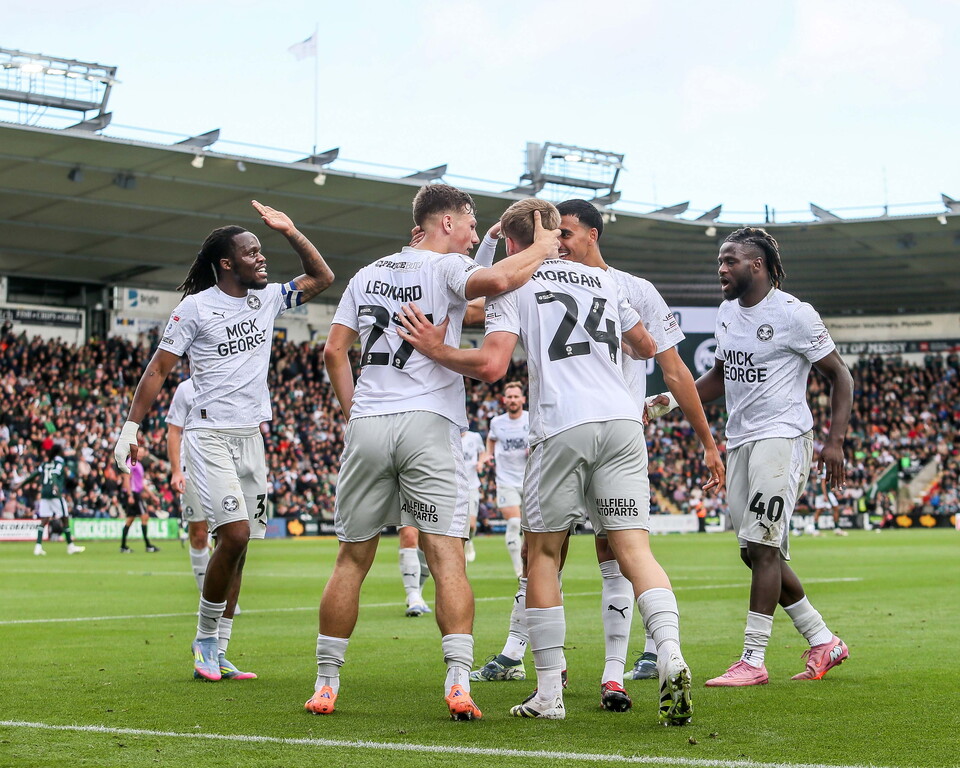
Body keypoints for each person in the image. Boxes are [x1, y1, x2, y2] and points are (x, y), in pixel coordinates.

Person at [398, 198, 696, 725]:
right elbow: (646, 346)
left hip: (562, 425)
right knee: (633, 549)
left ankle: (548, 694)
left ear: (515, 244)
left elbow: (491, 364)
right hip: (624, 425)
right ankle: (670, 651)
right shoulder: (606, 282)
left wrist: (435, 350)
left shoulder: (515, 285)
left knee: (543, 555)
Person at [308, 184, 558, 721]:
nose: (474, 233)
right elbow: (495, 283)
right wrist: (545, 244)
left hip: (369, 422)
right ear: (446, 222)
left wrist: (356, 412)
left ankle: (326, 684)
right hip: (429, 423)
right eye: (470, 223)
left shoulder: (367, 274)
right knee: (445, 556)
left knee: (351, 558)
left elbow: (334, 351)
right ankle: (459, 682)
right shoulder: (445, 268)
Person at [114, 200, 334, 682]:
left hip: (249, 437)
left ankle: (221, 650)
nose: (261, 258)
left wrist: (291, 230)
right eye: (251, 253)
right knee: (232, 535)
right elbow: (158, 370)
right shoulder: (194, 308)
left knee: (241, 548)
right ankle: (204, 640)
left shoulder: (269, 297)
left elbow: (322, 277)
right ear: (226, 264)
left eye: (261, 251)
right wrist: (130, 429)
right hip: (208, 433)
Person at [648, 226, 853, 686]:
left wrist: (834, 441)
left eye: (730, 261)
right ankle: (823, 641)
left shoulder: (794, 314)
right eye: (720, 261)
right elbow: (720, 376)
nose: (721, 269)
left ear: (756, 265)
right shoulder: (725, 313)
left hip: (783, 437)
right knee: (753, 551)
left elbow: (841, 375)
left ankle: (753, 660)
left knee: (762, 545)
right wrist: (665, 402)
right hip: (739, 440)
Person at [555, 199, 724, 705]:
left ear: (593, 234)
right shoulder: (541, 278)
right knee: (549, 552)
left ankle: (611, 673)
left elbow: (675, 370)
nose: (558, 244)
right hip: (574, 429)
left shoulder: (636, 290)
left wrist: (708, 443)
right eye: (553, 235)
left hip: (600, 432)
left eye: (566, 234)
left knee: (604, 553)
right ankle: (546, 661)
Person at [166, 377, 209, 590]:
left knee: (229, 536)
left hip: (226, 466)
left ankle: (226, 596)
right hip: (190, 469)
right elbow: (174, 431)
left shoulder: (230, 378)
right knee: (199, 534)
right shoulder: (185, 388)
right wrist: (175, 471)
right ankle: (208, 597)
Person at [486, 382, 529, 577]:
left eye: (515, 396)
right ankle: (519, 570)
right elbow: (492, 438)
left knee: (531, 529)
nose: (512, 400)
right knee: (513, 523)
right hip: (506, 481)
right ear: (504, 400)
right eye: (509, 397)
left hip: (530, 480)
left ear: (523, 399)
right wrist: (489, 454)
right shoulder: (497, 422)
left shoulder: (531, 419)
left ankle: (531, 566)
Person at [18, 445, 85, 556]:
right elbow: (54, 474)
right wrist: (55, 485)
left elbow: (33, 476)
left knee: (44, 520)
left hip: (44, 493)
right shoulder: (59, 464)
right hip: (55, 494)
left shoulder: (44, 464)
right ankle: (70, 546)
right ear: (59, 452)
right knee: (65, 518)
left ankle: (38, 547)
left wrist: (20, 485)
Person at [120, 438, 159, 554]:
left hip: (135, 493)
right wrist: (130, 495)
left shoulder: (138, 464)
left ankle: (123, 546)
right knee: (144, 516)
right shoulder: (131, 462)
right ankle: (148, 545)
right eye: (139, 452)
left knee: (130, 520)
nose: (141, 454)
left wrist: (152, 495)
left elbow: (141, 482)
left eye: (142, 452)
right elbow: (126, 477)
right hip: (134, 494)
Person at [461, 426, 486, 563]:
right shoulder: (448, 436)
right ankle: (459, 551)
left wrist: (480, 462)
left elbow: (483, 452)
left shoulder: (475, 437)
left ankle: (469, 542)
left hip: (472, 486)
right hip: (454, 486)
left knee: (471, 525)